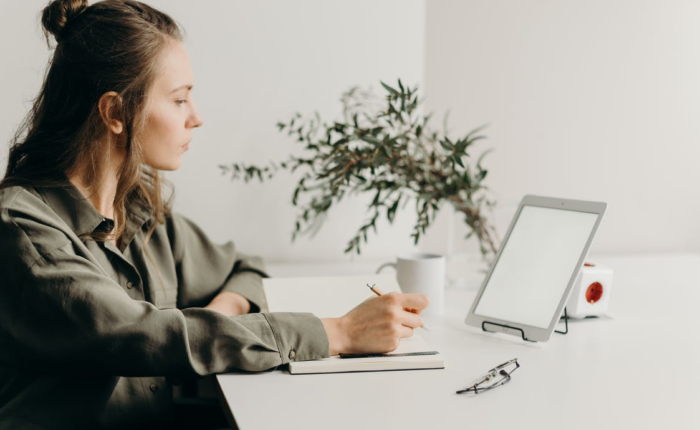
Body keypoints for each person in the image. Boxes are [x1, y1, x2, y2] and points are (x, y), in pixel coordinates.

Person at [0, 1, 428, 429]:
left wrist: (222, 312)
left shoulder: (140, 213)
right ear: (115, 113)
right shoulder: (23, 232)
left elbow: (244, 269)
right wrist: (340, 333)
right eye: (180, 99)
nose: (197, 117)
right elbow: (144, 335)